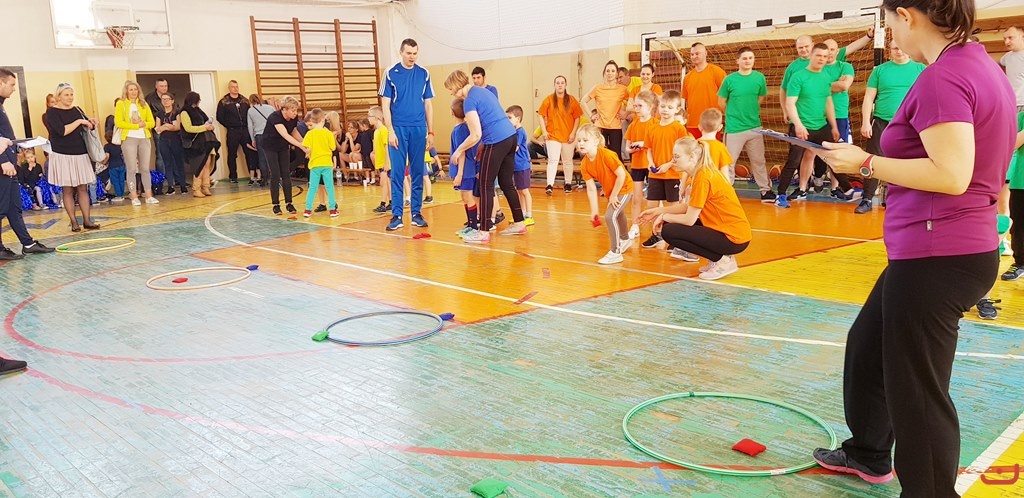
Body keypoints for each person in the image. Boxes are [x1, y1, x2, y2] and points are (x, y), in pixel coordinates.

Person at [810, 0, 1015, 494]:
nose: (891, 35)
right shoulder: (978, 64)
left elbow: (952, 174)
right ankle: (868, 451)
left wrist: (865, 164)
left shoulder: (945, 77)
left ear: (907, 16)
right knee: (868, 346)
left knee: (918, 394)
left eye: (888, 23)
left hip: (938, 254)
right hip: (937, 249)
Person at [636, 138, 751, 280]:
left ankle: (723, 260)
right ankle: (719, 259)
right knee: (669, 225)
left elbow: (689, 219)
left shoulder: (703, 177)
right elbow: (690, 206)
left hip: (733, 238)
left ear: (692, 157)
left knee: (669, 230)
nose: (673, 160)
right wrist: (657, 211)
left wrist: (664, 216)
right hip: (730, 233)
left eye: (677, 156)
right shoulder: (700, 173)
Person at [446, 69, 527, 243]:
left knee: (485, 184)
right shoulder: (482, 91)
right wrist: (482, 145)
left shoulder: (469, 101)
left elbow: (475, 134)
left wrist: (459, 150)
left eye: (451, 89)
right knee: (506, 183)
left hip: (497, 141)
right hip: (510, 137)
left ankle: (483, 231)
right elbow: (491, 119)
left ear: (456, 85)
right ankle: (519, 222)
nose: (451, 93)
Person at [858, 42, 926, 215]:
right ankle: (867, 199)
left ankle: (901, 199)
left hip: (909, 124)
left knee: (906, 162)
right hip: (882, 122)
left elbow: (927, 96)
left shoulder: (920, 69)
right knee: (873, 159)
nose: (899, 51)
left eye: (902, 47)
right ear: (890, 51)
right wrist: (866, 122)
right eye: (895, 48)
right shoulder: (880, 71)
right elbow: (869, 98)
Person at [777, 43, 851, 203]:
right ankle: (781, 195)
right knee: (794, 161)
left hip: (820, 126)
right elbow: (790, 103)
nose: (822, 59)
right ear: (811, 56)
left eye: (825, 56)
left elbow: (828, 102)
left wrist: (833, 126)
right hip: (801, 126)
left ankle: (848, 189)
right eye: (818, 55)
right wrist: (798, 125)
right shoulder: (798, 76)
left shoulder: (825, 77)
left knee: (832, 156)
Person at [379, 38, 434, 231]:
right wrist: (390, 131)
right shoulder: (390, 72)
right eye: (409, 53)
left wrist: (431, 131)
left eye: (415, 53)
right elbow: (385, 104)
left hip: (419, 129)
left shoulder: (424, 73)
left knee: (418, 172)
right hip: (398, 129)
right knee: (397, 173)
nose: (412, 57)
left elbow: (428, 104)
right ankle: (397, 215)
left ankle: (417, 213)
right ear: (401, 52)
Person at [0, 69, 55, 259]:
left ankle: (28, 243)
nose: (14, 89)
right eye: (11, 84)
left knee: (14, 207)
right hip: (3, 166)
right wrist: (3, 161)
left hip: (10, 164)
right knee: (1, 208)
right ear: (0, 83)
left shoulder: (1, 105)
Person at [718, 46, 774, 202]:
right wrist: (734, 115)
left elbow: (761, 97)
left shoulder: (759, 78)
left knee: (759, 161)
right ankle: (726, 192)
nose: (747, 61)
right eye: (744, 58)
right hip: (734, 129)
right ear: (738, 61)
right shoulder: (729, 80)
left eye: (750, 58)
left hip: (755, 127)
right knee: (729, 162)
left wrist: (750, 112)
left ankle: (765, 191)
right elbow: (721, 102)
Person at [44, 82, 101, 231]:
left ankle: (87, 220)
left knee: (83, 188)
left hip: (80, 152)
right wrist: (79, 121)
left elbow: (87, 125)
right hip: (62, 153)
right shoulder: (52, 113)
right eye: (66, 95)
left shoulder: (77, 110)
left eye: (71, 94)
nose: (70, 98)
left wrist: (91, 123)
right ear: (59, 96)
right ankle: (74, 222)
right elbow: (62, 131)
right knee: (67, 189)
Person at [577, 124, 634, 265]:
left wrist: (614, 195)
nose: (581, 143)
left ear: (596, 141)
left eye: (585, 140)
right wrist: (594, 211)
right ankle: (625, 239)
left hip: (624, 187)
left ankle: (615, 252)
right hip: (612, 191)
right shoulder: (584, 164)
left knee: (610, 216)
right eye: (579, 140)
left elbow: (621, 175)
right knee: (618, 214)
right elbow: (591, 189)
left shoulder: (607, 155)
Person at [641, 90, 690, 250]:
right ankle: (656, 235)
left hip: (673, 174)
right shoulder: (652, 128)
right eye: (663, 106)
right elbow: (648, 149)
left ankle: (673, 239)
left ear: (677, 109)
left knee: (673, 207)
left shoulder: (678, 129)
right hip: (655, 175)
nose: (665, 110)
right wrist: (650, 162)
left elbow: (682, 152)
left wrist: (669, 164)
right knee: (651, 206)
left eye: (670, 107)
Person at [537, 75, 584, 195]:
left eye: (562, 83)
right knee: (553, 160)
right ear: (554, 85)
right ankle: (549, 185)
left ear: (565, 85)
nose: (560, 85)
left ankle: (568, 183)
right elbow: (540, 115)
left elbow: (577, 117)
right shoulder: (549, 99)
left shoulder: (571, 100)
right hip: (553, 135)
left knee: (567, 161)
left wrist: (573, 133)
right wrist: (544, 131)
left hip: (568, 136)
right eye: (557, 83)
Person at [114, 80, 158, 205]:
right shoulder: (121, 104)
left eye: (135, 89)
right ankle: (133, 196)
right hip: (129, 138)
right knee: (131, 168)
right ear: (126, 91)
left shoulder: (144, 104)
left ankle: (148, 195)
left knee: (145, 168)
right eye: (131, 89)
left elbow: (152, 122)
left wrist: (144, 124)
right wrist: (135, 126)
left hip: (144, 137)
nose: (133, 92)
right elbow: (119, 122)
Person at [261, 96, 307, 214]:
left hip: (282, 146)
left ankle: (289, 203)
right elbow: (285, 135)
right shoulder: (275, 117)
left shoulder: (293, 118)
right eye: (293, 110)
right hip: (270, 146)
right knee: (275, 174)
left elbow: (293, 131)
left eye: (296, 110)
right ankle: (276, 204)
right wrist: (300, 146)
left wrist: (304, 143)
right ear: (285, 110)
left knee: (286, 173)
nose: (295, 113)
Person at [624, 90, 658, 239]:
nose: (636, 109)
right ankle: (635, 226)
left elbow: (657, 144)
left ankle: (657, 229)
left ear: (650, 107)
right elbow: (627, 148)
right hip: (637, 165)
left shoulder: (655, 124)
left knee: (654, 200)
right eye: (635, 106)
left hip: (651, 165)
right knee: (636, 198)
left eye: (640, 106)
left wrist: (643, 144)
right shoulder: (633, 125)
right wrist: (633, 147)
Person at [582, 61, 629, 155]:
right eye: (608, 71)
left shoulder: (622, 89)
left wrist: (625, 114)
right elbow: (583, 101)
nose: (610, 73)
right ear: (604, 73)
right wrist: (591, 116)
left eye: (612, 71)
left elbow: (633, 103)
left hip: (615, 127)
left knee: (615, 155)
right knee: (599, 154)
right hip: (600, 127)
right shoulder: (597, 88)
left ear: (616, 74)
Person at [681, 43, 727, 139]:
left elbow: (726, 95)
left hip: (711, 123)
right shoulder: (687, 77)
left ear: (705, 53)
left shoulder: (717, 72)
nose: (694, 56)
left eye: (697, 53)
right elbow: (686, 100)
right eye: (692, 54)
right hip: (693, 124)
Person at [450, 98, 480, 237]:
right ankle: (470, 224)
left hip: (466, 170)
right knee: (464, 196)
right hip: (466, 169)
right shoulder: (462, 128)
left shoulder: (461, 129)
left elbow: (461, 152)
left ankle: (473, 226)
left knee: (468, 197)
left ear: (452, 113)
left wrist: (460, 173)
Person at [216, 80, 256, 183]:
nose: (235, 89)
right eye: (233, 87)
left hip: (245, 130)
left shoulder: (244, 100)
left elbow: (250, 113)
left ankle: (253, 176)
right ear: (229, 88)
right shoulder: (224, 102)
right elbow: (219, 117)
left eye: (237, 86)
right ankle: (233, 176)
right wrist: (229, 125)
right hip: (233, 131)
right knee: (232, 154)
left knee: (249, 153)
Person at [180, 91, 218, 199]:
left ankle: (205, 186)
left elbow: (206, 122)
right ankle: (196, 188)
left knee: (207, 164)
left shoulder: (199, 111)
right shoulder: (184, 112)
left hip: (207, 141)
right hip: (196, 144)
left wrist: (210, 126)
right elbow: (188, 128)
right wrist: (204, 128)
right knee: (200, 165)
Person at [300, 108, 337, 218]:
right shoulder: (328, 133)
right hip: (326, 164)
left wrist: (310, 152)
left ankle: (307, 210)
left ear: (312, 120)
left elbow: (306, 147)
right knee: (329, 187)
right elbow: (333, 147)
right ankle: (332, 210)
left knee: (312, 188)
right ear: (323, 120)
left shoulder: (309, 134)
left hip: (315, 164)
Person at [506, 105, 534, 226]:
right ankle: (521, 214)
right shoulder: (514, 132)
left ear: (518, 118)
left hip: (522, 166)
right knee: (519, 191)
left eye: (509, 117)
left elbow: (515, 148)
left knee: (524, 191)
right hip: (516, 166)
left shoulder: (520, 132)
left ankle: (529, 215)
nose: (507, 120)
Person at [154, 92, 186, 195]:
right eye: (163, 99)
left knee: (179, 162)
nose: (165, 101)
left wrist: (165, 127)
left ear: (172, 101)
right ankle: (170, 186)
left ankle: (183, 185)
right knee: (167, 163)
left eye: (167, 99)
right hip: (164, 141)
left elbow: (177, 127)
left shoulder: (177, 112)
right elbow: (157, 129)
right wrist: (166, 127)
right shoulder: (159, 114)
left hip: (176, 140)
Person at [369, 106, 392, 214]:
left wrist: (386, 163)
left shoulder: (383, 130)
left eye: (370, 116)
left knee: (384, 183)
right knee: (386, 182)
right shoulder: (376, 131)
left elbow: (386, 147)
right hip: (380, 162)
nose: (368, 118)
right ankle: (391, 202)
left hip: (384, 162)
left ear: (376, 117)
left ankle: (383, 203)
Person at [247, 94, 274, 187]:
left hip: (259, 135)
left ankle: (265, 178)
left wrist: (252, 139)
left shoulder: (250, 110)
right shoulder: (270, 108)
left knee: (262, 158)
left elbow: (250, 126)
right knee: (273, 156)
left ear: (251, 101)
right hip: (271, 135)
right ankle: (275, 177)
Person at [103, 133, 127, 201]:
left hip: (113, 166)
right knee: (121, 180)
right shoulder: (119, 145)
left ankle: (118, 195)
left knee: (115, 181)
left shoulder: (107, 146)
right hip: (121, 165)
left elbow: (107, 156)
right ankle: (122, 194)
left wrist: (104, 163)